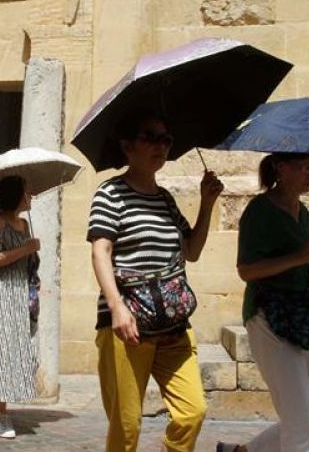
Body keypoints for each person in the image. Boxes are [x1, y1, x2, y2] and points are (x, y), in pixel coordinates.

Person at [87, 111, 223, 452]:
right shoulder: (111, 193)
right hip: (126, 325)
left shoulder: (164, 199)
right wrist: (117, 308)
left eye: (166, 139)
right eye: (151, 136)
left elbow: (191, 251)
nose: (161, 145)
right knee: (126, 425)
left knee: (192, 412)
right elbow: (100, 252)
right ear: (127, 146)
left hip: (172, 323)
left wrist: (207, 203)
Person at [216, 153, 309, 452]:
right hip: (269, 318)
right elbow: (247, 270)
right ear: (281, 167)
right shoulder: (260, 211)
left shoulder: (303, 214)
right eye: (306, 167)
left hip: (301, 320)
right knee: (300, 421)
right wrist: (300, 257)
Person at [0, 175, 40, 439]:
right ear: (17, 194)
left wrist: (32, 254)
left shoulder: (25, 225)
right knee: (2, 351)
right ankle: (1, 417)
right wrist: (25, 250)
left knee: (16, 350)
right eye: (28, 190)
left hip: (20, 293)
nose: (31, 195)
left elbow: (27, 260)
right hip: (1, 293)